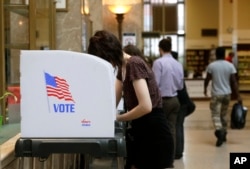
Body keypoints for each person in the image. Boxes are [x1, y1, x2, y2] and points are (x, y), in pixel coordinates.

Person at [88, 30, 174, 169]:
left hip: (154, 134)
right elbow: (112, 102)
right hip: (141, 130)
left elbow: (146, 106)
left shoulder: (133, 63)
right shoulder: (122, 68)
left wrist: (118, 118)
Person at [152, 38, 184, 160]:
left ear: (160, 49)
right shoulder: (178, 64)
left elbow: (155, 84)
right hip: (175, 100)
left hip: (162, 101)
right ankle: (170, 158)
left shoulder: (158, 63)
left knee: (160, 130)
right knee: (172, 129)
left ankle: (161, 157)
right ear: (170, 49)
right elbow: (181, 86)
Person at [204, 47, 242, 147]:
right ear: (224, 54)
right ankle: (224, 134)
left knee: (215, 114)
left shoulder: (212, 65)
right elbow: (234, 81)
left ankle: (219, 131)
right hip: (227, 94)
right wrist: (238, 95)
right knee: (224, 114)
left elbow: (207, 79)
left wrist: (205, 89)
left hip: (216, 94)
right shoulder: (230, 65)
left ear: (216, 54)